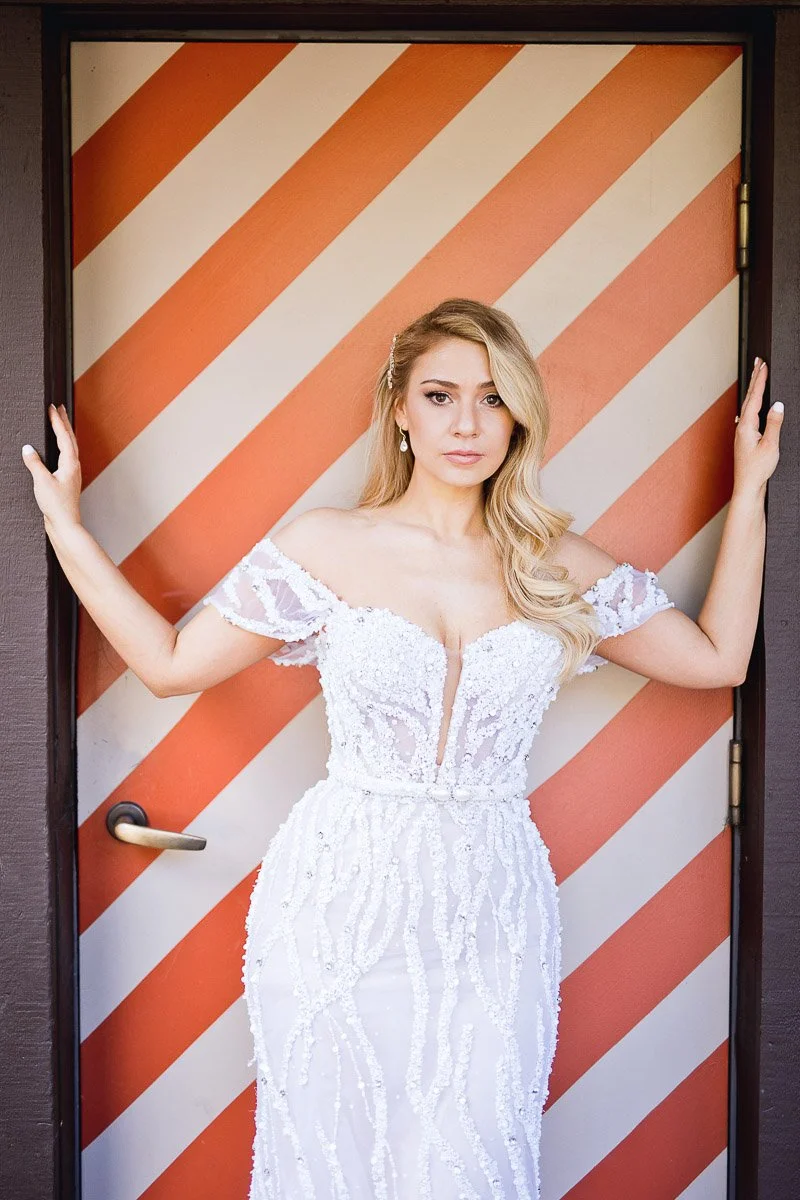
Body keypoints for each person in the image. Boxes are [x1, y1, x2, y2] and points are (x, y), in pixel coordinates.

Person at [23, 298, 782, 1199]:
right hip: (341, 896)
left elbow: (717, 658)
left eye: (494, 399)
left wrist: (751, 489)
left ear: (520, 417)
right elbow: (168, 663)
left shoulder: (555, 565)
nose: (467, 422)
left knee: (474, 1157)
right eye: (441, 394)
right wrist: (68, 529)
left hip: (492, 907)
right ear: (400, 410)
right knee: (330, 1155)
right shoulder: (329, 544)